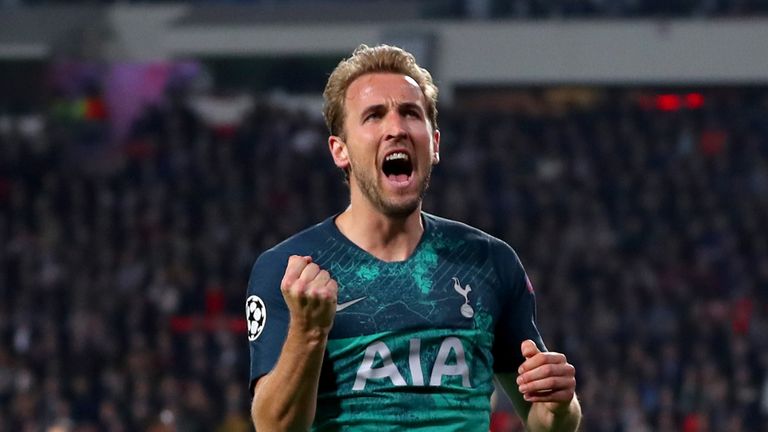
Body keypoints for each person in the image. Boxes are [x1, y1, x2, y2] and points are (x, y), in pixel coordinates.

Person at [245, 44, 581, 431]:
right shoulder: (291, 271)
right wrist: (308, 330)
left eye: (410, 113)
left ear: (434, 143)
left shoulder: (489, 262)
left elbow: (547, 421)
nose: (397, 128)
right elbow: (273, 426)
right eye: (374, 116)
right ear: (341, 151)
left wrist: (559, 405)